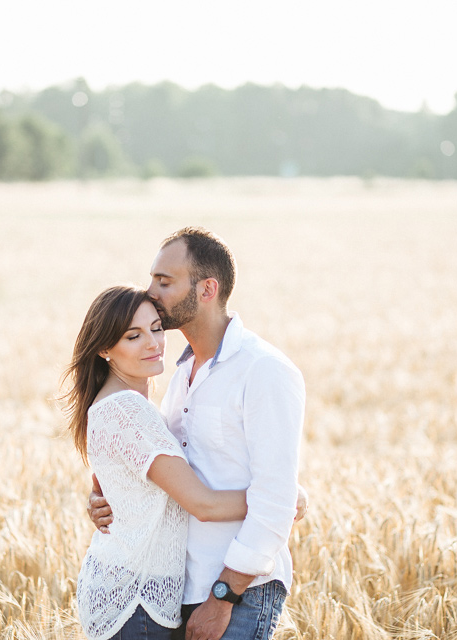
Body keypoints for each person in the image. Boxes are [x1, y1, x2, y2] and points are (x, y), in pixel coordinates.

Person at [88, 227, 306, 640]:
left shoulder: (263, 371)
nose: (150, 292)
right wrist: (107, 497)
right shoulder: (180, 375)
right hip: (175, 591)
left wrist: (223, 596)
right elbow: (161, 468)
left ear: (207, 289)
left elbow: (273, 497)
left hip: (239, 592)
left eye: (164, 282)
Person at [62, 284, 255, 640]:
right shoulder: (128, 410)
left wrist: (100, 504)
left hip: (123, 588)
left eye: (156, 329)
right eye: (133, 336)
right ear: (105, 348)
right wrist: (279, 500)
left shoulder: (117, 403)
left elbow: (118, 492)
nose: (153, 343)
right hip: (135, 600)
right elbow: (202, 504)